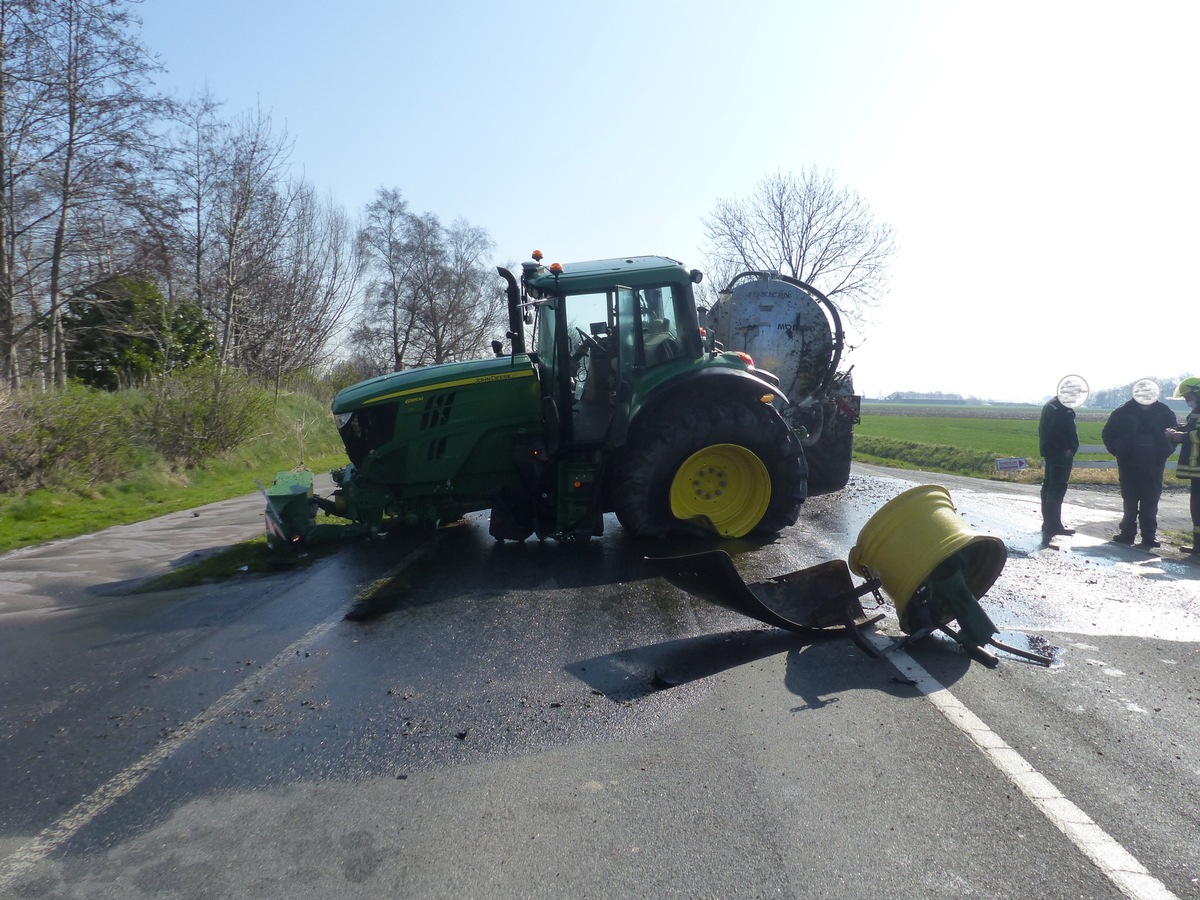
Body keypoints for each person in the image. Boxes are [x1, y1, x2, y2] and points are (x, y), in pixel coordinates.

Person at [1102, 379, 1179, 548]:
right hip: (1128, 462)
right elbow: (1107, 434)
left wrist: (1164, 454)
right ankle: (1127, 533)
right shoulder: (1122, 412)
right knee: (1129, 499)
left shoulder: (1165, 412)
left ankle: (1149, 536)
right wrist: (1119, 452)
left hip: (1155, 463)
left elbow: (1174, 436)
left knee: (1151, 500)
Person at [1038, 375, 1085, 537]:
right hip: (1059, 455)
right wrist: (1066, 448)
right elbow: (1056, 432)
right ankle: (1054, 524)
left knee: (1049, 485)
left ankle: (1048, 523)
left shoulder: (1051, 406)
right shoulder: (1060, 409)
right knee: (1057, 487)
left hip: (1051, 453)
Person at [1167, 376, 1200, 553]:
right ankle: (1198, 545)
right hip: (1196, 469)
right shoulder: (1197, 411)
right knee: (1196, 506)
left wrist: (1183, 437)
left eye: (1189, 397)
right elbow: (1192, 428)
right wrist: (1177, 431)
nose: (1188, 401)